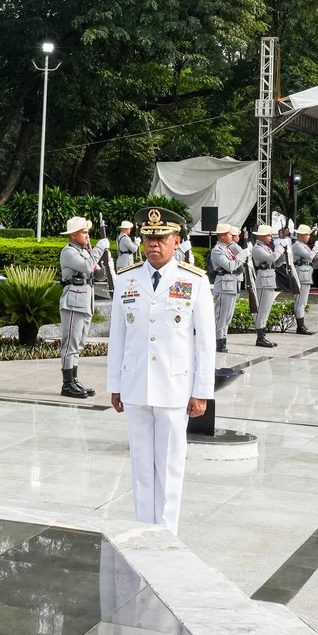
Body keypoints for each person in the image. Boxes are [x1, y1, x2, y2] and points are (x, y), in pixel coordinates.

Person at [105, 207, 216, 533]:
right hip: (136, 384)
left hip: (175, 388)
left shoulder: (193, 281)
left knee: (169, 466)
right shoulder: (127, 279)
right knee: (141, 465)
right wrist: (115, 385)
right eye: (149, 238)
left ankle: (166, 534)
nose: (154, 244)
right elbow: (117, 336)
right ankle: (143, 531)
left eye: (161, 238)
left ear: (176, 241)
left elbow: (206, 342)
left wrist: (202, 391)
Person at [57, 217, 103, 397]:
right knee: (70, 344)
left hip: (85, 303)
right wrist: (99, 249)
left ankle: (74, 380)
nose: (87, 235)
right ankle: (67, 384)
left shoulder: (84, 252)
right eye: (83, 232)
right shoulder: (69, 252)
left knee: (79, 344)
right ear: (73, 235)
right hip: (73, 302)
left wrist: (104, 264)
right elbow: (86, 266)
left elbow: (97, 274)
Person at [206, 223, 245, 353]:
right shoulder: (217, 250)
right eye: (229, 234)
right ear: (222, 236)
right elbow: (230, 266)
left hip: (231, 284)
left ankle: (223, 340)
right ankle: (218, 342)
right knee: (221, 315)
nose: (231, 236)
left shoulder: (228, 249)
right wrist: (243, 255)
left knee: (227, 315)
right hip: (224, 284)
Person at [248, 224, 281, 348]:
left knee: (266, 310)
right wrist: (281, 249)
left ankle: (263, 335)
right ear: (261, 236)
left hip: (270, 279)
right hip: (263, 280)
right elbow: (272, 257)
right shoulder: (257, 248)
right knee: (261, 310)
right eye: (268, 235)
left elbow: (275, 261)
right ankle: (260, 337)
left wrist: (283, 257)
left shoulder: (266, 247)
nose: (271, 237)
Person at [287, 225, 318, 334]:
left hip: (306, 275)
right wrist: (316, 247)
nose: (309, 236)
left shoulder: (304, 245)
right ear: (300, 235)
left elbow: (313, 259)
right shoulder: (297, 245)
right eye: (307, 234)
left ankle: (301, 325)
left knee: (303, 302)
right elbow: (309, 256)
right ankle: (300, 326)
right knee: (300, 301)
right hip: (301, 275)